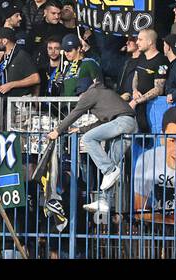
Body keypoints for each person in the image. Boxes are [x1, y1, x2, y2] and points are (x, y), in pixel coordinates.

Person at [46, 76, 136, 216]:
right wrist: (80, 130)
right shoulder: (103, 94)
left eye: (79, 94)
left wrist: (57, 131)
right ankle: (105, 201)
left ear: (83, 91)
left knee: (88, 139)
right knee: (112, 162)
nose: (80, 98)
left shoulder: (91, 93)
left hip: (122, 122)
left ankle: (109, 170)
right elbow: (102, 123)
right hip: (130, 125)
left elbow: (75, 113)